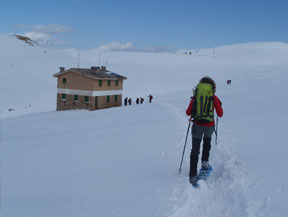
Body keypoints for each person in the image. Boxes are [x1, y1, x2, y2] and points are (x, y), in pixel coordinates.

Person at [186, 76, 223, 186]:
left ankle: (193, 175)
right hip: (209, 125)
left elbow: (188, 112)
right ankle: (205, 164)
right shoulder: (213, 97)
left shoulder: (196, 97)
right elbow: (220, 114)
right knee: (207, 143)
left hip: (197, 125)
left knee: (195, 149)